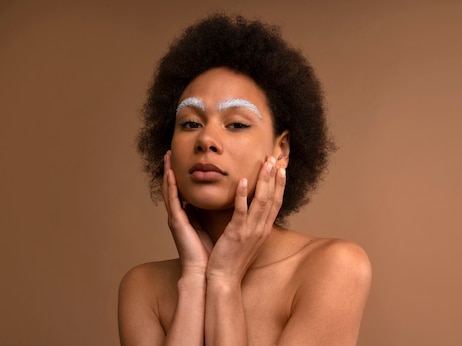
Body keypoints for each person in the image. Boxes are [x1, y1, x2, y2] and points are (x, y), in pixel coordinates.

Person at [118, 13, 371, 345]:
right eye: (190, 123)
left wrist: (224, 280)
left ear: (281, 150)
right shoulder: (143, 288)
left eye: (236, 124)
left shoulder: (334, 268)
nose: (205, 140)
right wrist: (195, 278)